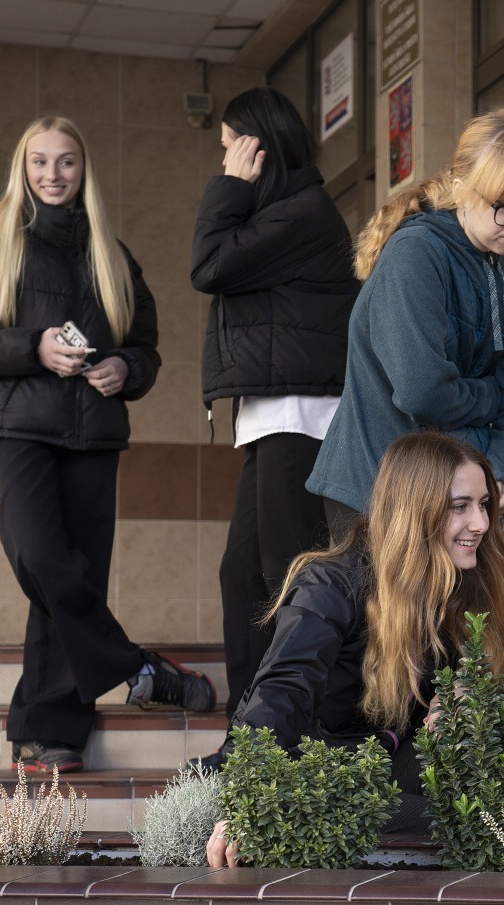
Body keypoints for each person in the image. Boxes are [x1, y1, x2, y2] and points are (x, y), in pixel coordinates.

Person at [0, 116, 214, 773]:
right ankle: (134, 667)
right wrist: (32, 348)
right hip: (15, 427)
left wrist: (123, 370)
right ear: (22, 169)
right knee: (41, 556)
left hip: (92, 434)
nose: (52, 175)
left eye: (66, 162)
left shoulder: (112, 255)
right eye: (40, 162)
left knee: (70, 573)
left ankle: (49, 732)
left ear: (84, 171)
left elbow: (145, 349)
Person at [203, 430, 504, 864]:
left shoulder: (465, 582)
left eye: (484, 504)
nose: (481, 524)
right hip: (317, 777)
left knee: (489, 801)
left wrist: (464, 697)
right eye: (460, 507)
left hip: (393, 768)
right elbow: (280, 692)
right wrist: (243, 803)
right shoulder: (331, 585)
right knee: (466, 823)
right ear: (414, 511)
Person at [306, 108, 504, 538]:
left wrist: (501, 474)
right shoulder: (416, 254)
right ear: (460, 190)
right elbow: (423, 394)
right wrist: (490, 396)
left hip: (459, 495)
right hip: (375, 490)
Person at [190, 86, 359, 718]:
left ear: (256, 148)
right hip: (273, 414)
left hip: (300, 414)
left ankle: (292, 727)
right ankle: (252, 729)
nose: (224, 160)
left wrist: (229, 188)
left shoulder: (303, 214)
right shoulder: (284, 214)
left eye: (229, 147)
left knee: (287, 575)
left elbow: (209, 264)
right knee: (244, 574)